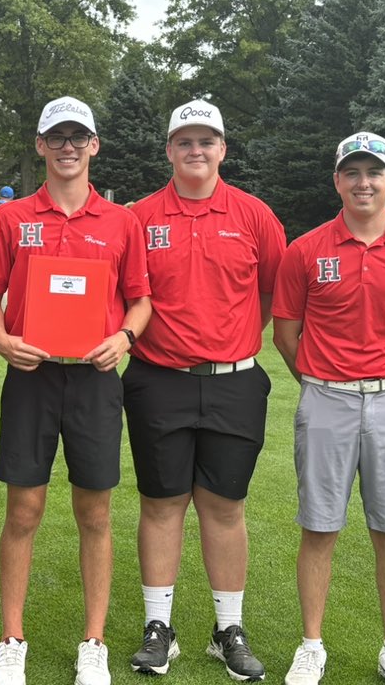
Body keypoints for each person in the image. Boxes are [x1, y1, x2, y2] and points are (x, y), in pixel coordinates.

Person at [0, 96, 152, 685]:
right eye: (58, 137)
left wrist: (125, 338)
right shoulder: (11, 217)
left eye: (79, 137)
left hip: (96, 379)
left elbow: (141, 298)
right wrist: (1, 340)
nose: (69, 147)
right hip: (31, 377)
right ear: (41, 145)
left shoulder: (121, 221)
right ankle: (11, 637)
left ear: (94, 145)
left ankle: (93, 641)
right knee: (23, 509)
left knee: (94, 512)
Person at [273, 132, 385, 685]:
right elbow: (286, 334)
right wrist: (326, 381)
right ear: (337, 182)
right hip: (325, 399)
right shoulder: (306, 250)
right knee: (319, 527)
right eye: (352, 173)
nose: (363, 182)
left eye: (374, 172)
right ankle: (311, 646)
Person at [123, 99, 286, 681]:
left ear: (223, 148)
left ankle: (227, 629)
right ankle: (158, 629)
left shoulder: (254, 215)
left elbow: (271, 294)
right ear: (169, 149)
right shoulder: (139, 217)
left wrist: (231, 340)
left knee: (224, 506)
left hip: (234, 381)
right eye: (185, 141)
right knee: (162, 503)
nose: (196, 150)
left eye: (207, 141)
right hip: (157, 379)